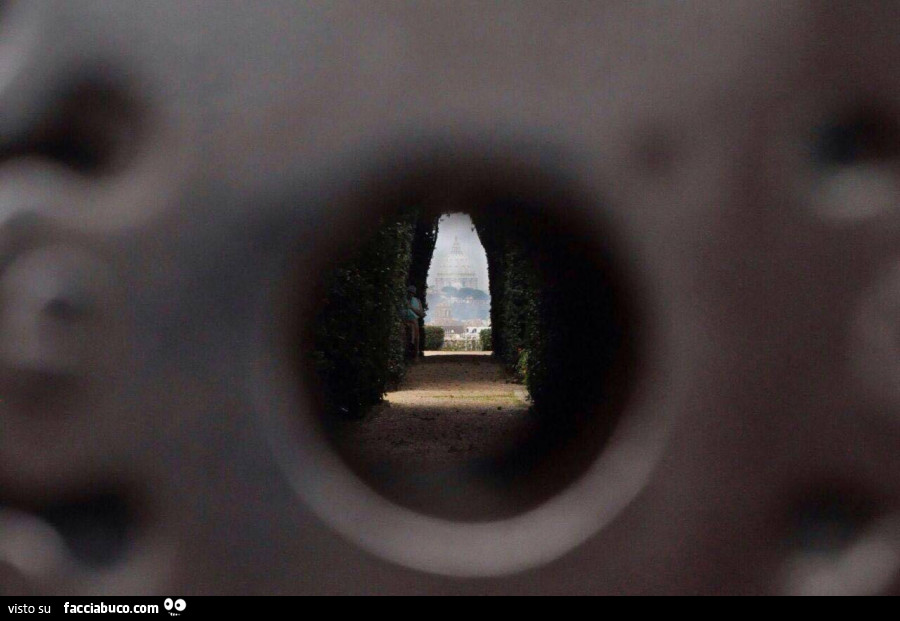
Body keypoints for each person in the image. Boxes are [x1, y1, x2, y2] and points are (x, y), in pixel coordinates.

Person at [404, 285, 425, 356]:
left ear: (414, 294)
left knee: (415, 325)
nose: (410, 294)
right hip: (403, 319)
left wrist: (411, 307)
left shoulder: (417, 301)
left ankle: (416, 351)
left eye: (412, 293)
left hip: (413, 320)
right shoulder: (402, 300)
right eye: (409, 292)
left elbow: (421, 314)